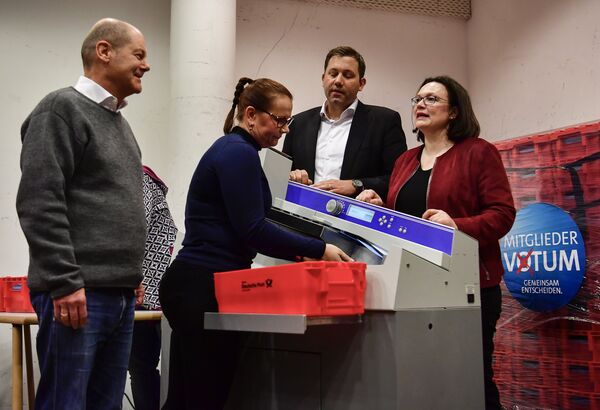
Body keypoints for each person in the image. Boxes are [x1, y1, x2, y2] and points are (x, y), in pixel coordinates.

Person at [159, 77, 352, 410]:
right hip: (202, 285)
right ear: (250, 114)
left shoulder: (236, 151)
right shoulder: (239, 154)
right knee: (203, 398)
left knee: (185, 398)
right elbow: (254, 229)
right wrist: (319, 248)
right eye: (278, 120)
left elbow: (251, 229)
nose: (283, 129)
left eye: (287, 121)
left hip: (194, 282)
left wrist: (300, 253)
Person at [357, 76, 515, 410]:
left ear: (455, 111)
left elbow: (502, 215)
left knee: (472, 379)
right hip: (412, 286)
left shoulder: (478, 153)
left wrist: (456, 224)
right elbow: (408, 220)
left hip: (469, 287)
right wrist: (380, 205)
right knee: (426, 381)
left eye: (431, 99)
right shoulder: (405, 160)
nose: (420, 105)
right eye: (417, 98)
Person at [16, 18, 150, 409]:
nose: (146, 65)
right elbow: (40, 201)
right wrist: (64, 281)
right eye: (139, 55)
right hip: (78, 294)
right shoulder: (60, 109)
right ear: (104, 52)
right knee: (65, 403)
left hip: (118, 294)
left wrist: (131, 275)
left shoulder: (119, 124)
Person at [283, 46, 407, 198]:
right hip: (300, 212)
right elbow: (282, 173)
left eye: (347, 75)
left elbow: (398, 180)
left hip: (353, 215)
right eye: (333, 74)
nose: (338, 81)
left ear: (361, 84)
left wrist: (357, 185)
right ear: (323, 79)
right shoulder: (299, 123)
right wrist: (292, 175)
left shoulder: (385, 121)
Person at [128, 166, 177, 410]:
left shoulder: (141, 179)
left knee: (141, 366)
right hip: (141, 293)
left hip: (143, 294)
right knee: (140, 367)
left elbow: (135, 229)